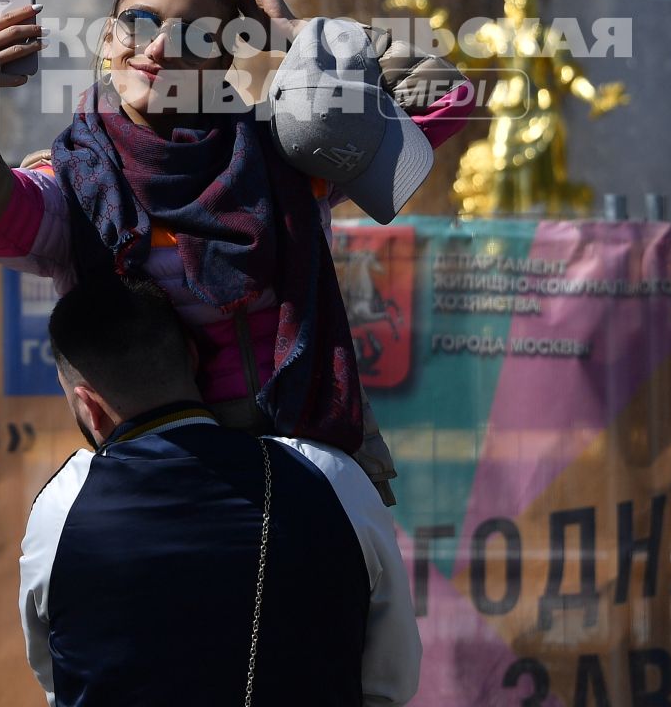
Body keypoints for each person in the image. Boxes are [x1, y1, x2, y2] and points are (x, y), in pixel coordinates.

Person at [0, 0, 472, 498]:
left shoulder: (290, 152)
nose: (159, 48)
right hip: (162, 491)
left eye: (196, 35)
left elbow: (446, 95)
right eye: (139, 22)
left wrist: (300, 35)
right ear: (108, 37)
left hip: (307, 481)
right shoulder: (72, 185)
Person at [21, 278, 421, 706]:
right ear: (194, 357)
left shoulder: (60, 510)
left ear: (90, 408)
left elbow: (57, 676)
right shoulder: (330, 478)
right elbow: (391, 680)